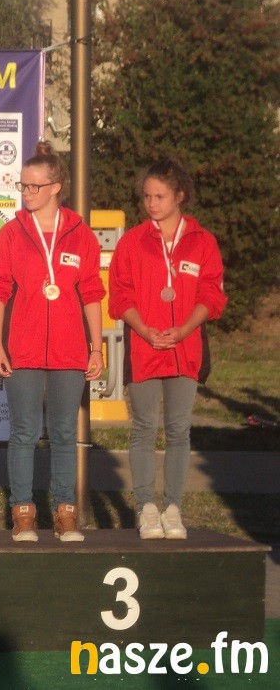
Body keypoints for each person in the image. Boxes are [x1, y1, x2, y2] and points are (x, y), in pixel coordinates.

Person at [0, 141, 105, 542]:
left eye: (34, 186)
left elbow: (92, 293)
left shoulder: (81, 235)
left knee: (64, 433)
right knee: (23, 433)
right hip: (23, 347)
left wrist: (96, 347)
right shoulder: (11, 233)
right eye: (23, 185)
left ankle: (66, 512)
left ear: (56, 187)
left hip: (70, 350)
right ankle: (23, 512)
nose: (27, 192)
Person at [108, 159, 227, 540]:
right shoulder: (132, 241)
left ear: (180, 196)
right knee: (144, 428)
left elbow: (212, 294)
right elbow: (119, 295)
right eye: (147, 196)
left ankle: (173, 508)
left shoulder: (202, 241)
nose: (152, 204)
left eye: (159, 196)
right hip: (144, 348)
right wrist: (144, 329)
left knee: (178, 430)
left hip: (184, 348)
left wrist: (186, 328)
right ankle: (146, 508)